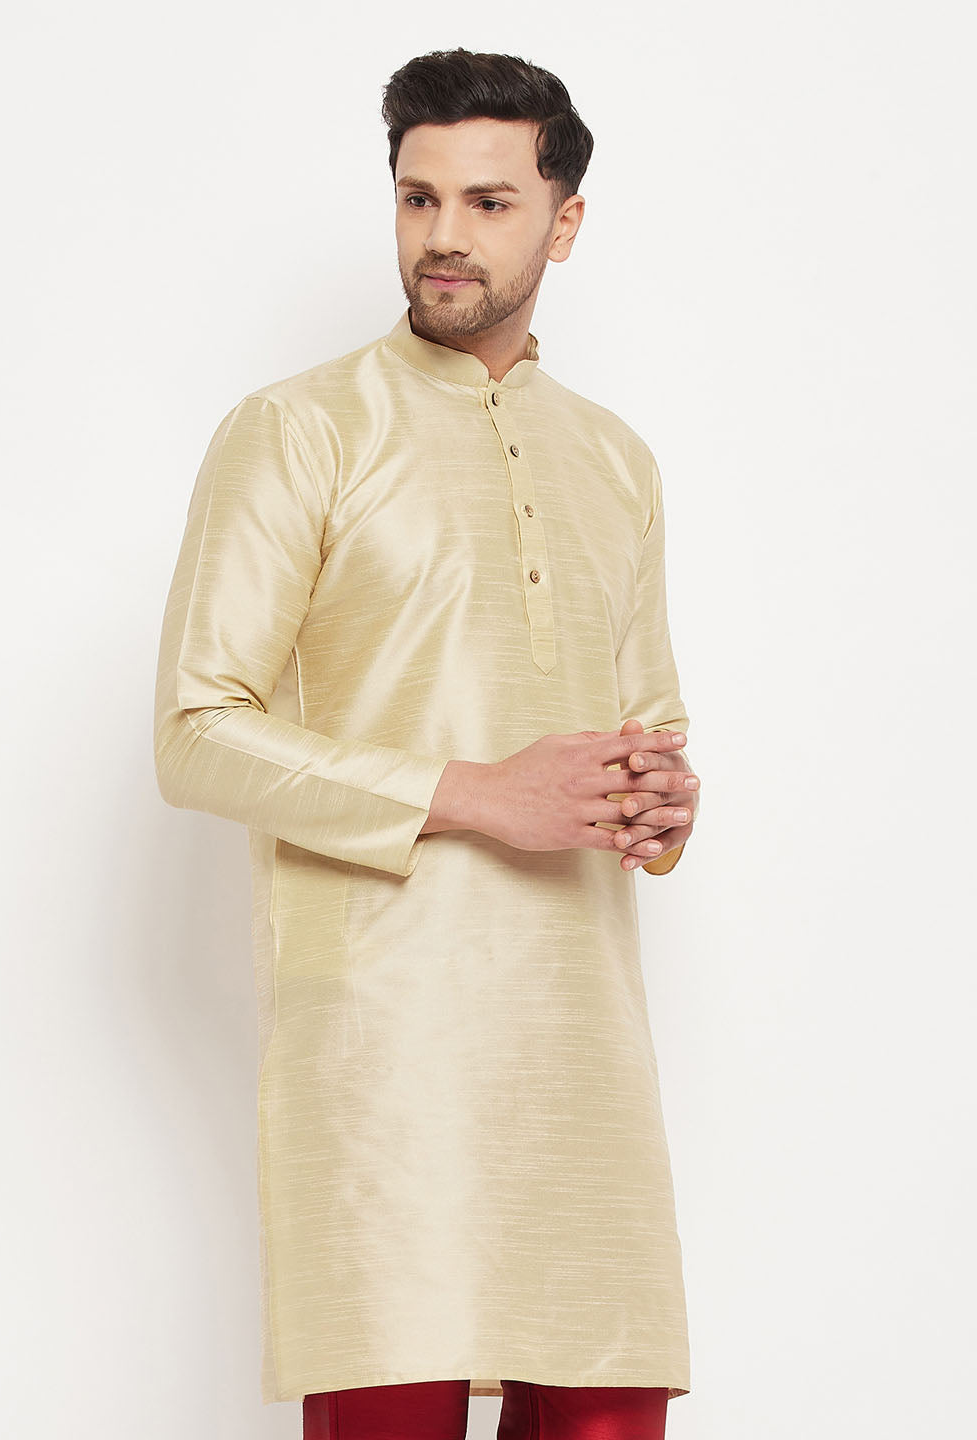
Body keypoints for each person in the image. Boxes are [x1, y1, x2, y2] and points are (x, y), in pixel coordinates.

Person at [153, 46, 701, 1440]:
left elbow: (650, 714)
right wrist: (475, 793)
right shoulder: (299, 431)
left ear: (564, 222)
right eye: (418, 198)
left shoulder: (617, 459)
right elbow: (198, 732)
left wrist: (662, 798)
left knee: (607, 1402)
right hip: (385, 1048)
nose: (444, 236)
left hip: (581, 1041)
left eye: (489, 202)